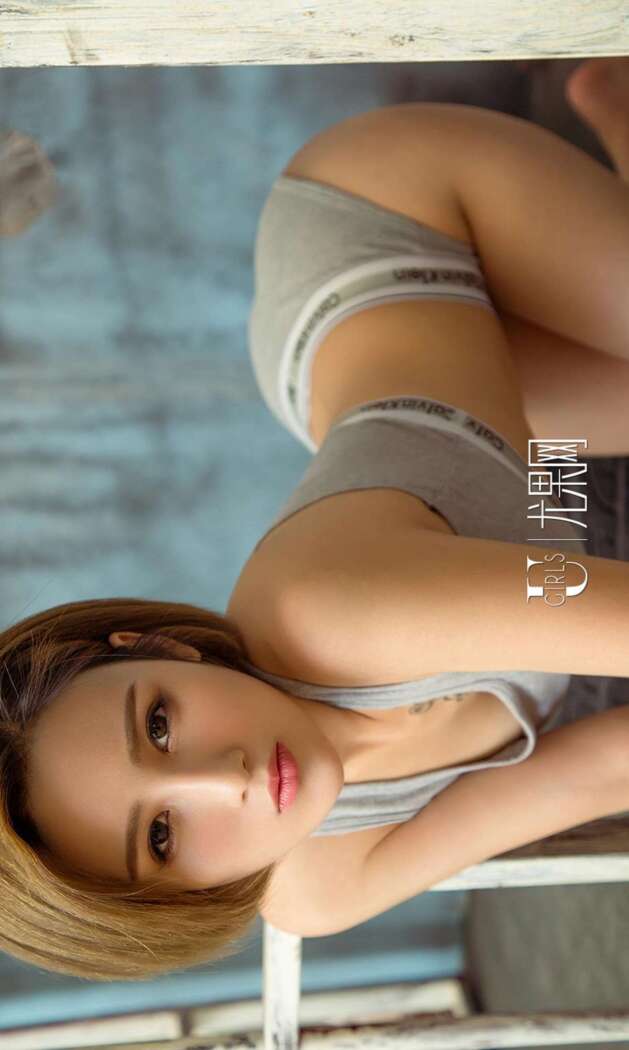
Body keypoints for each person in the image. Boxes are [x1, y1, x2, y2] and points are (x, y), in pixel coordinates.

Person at [3, 58, 629, 982]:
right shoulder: (319, 885)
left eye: (161, 726)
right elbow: (603, 766)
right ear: (172, 900)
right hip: (504, 434)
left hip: (391, 231)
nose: (228, 779)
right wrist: (545, 506)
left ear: (161, 650)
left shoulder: (330, 612)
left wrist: (550, 580)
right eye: (163, 835)